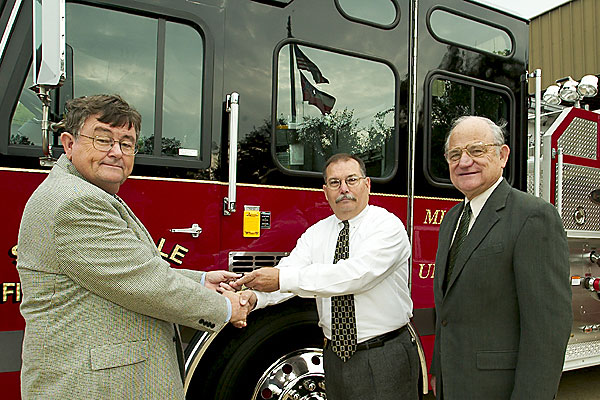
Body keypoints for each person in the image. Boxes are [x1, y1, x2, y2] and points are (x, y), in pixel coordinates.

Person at [16, 94, 250, 399]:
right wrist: (226, 307)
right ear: (69, 144)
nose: (116, 152)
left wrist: (202, 281)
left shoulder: (88, 191)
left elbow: (131, 271)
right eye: (102, 140)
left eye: (126, 143)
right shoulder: (74, 201)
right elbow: (146, 283)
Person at [229, 153, 419, 400]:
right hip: (335, 357)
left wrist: (281, 279)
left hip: (384, 355)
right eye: (334, 183)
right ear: (325, 191)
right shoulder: (316, 233)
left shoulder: (388, 226)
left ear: (367, 184)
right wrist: (254, 298)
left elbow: (355, 275)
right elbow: (289, 269)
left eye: (351, 180)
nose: (344, 189)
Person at [430, 116, 572, 399]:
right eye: (455, 154)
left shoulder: (533, 216)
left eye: (477, 150)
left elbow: (547, 330)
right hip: (453, 385)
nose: (464, 161)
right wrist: (439, 371)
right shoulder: (451, 219)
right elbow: (448, 312)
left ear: (503, 155)